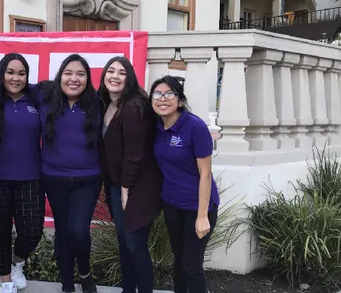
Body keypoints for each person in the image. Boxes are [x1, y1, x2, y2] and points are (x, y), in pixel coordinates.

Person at [149, 75, 219, 293]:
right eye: (157, 94)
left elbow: (205, 173)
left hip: (197, 205)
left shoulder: (194, 126)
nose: (163, 99)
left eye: (169, 94)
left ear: (179, 101)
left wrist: (201, 216)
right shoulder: (156, 127)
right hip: (172, 203)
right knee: (178, 260)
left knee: (191, 263)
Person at [38, 54, 101, 293]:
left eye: (80, 74)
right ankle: (67, 281)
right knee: (63, 230)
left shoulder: (97, 101)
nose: (74, 79)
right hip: (54, 178)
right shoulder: (44, 96)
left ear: (87, 79)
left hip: (89, 178)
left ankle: (84, 273)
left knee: (78, 229)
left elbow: (128, 98)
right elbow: (13, 86)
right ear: (60, 76)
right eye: (68, 73)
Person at [99, 57, 162, 293]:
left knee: (135, 244)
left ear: (130, 78)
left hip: (138, 186)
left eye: (121, 72)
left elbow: (135, 154)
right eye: (110, 71)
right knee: (125, 243)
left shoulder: (133, 107)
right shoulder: (107, 104)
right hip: (119, 185)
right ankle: (128, 289)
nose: (115, 76)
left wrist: (126, 188)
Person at [0, 54, 44, 293]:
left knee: (32, 231)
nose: (15, 78)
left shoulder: (36, 98)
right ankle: (5, 280)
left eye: (21, 73)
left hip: (31, 177)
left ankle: (17, 263)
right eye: (10, 72)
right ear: (1, 74)